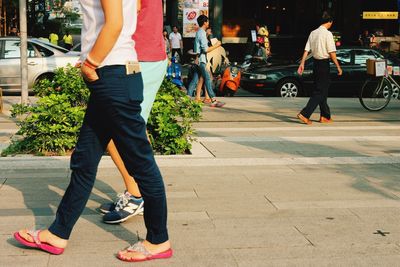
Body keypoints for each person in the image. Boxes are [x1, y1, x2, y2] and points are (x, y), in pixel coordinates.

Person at [14, 0, 172, 263]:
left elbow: (115, 23)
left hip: (112, 73)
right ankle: (58, 233)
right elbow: (131, 13)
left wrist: (91, 61)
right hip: (115, 72)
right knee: (85, 159)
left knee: (140, 162)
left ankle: (158, 240)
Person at [297, 12, 342, 125]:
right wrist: (338, 66)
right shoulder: (328, 34)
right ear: (330, 22)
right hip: (323, 64)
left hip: (315, 64)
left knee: (323, 90)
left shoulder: (313, 33)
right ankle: (305, 114)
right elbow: (332, 53)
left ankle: (325, 116)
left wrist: (302, 63)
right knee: (320, 91)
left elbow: (306, 50)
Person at [187, 15, 225, 107]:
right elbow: (206, 49)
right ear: (205, 22)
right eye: (207, 21)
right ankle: (213, 100)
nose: (208, 23)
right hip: (201, 60)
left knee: (195, 80)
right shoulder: (202, 33)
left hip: (198, 59)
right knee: (207, 78)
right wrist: (217, 45)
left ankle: (187, 98)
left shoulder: (199, 32)